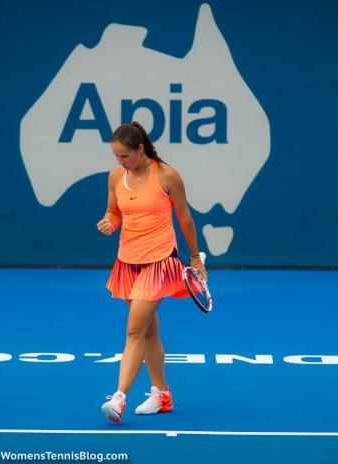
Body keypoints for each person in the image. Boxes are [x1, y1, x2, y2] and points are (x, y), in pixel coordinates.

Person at [96, 121, 207, 423]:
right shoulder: (116, 176)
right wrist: (110, 223)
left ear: (140, 149)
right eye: (116, 157)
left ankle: (119, 398)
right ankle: (162, 394)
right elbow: (114, 211)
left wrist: (196, 258)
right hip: (127, 262)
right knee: (149, 331)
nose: (120, 162)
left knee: (134, 330)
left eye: (124, 156)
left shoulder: (167, 175)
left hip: (160, 261)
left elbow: (184, 217)